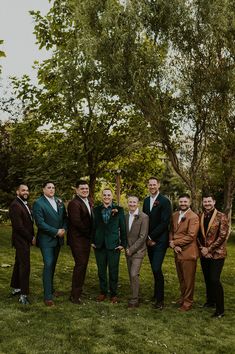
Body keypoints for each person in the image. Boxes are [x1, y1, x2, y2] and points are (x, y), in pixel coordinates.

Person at [33, 182, 67, 306]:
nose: (52, 189)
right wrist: (55, 232)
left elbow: (64, 217)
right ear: (43, 189)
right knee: (48, 264)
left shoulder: (59, 201)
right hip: (46, 240)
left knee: (52, 265)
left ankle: (51, 290)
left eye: (53, 188)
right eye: (49, 187)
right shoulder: (38, 203)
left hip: (58, 239)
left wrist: (63, 229)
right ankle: (47, 296)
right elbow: (40, 223)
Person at [92, 188, 127, 303]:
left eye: (109, 195)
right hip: (99, 245)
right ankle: (103, 292)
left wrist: (123, 244)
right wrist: (92, 241)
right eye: (104, 195)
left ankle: (113, 293)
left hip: (114, 245)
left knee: (113, 270)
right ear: (101, 197)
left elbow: (123, 228)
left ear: (112, 196)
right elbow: (93, 226)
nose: (106, 197)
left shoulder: (119, 210)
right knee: (101, 270)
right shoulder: (96, 210)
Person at [197, 194, 229, 318]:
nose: (207, 204)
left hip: (217, 253)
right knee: (207, 278)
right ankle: (210, 301)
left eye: (209, 201)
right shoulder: (201, 215)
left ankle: (220, 309)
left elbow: (222, 236)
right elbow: (198, 235)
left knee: (214, 280)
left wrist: (209, 249)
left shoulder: (222, 216)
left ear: (214, 202)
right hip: (204, 252)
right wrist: (202, 249)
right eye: (205, 202)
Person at [143, 177, 172, 310]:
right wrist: (146, 237)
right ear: (148, 186)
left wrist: (151, 236)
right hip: (149, 240)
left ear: (158, 185)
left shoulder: (165, 201)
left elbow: (165, 222)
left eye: (154, 184)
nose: (152, 186)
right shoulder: (146, 201)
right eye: (150, 185)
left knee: (156, 268)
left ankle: (160, 301)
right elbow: (145, 219)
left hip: (160, 240)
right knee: (155, 269)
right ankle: (156, 294)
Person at [169, 194, 199, 311]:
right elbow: (171, 230)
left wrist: (175, 242)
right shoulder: (175, 215)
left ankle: (188, 302)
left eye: (185, 202)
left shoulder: (193, 217)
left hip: (188, 252)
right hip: (177, 251)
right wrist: (171, 242)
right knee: (181, 278)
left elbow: (191, 236)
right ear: (178, 202)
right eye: (181, 201)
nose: (183, 204)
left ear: (189, 202)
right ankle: (183, 298)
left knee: (188, 279)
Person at [9, 184, 35, 305]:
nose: (26, 192)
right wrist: (31, 238)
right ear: (17, 192)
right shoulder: (15, 205)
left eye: (27, 190)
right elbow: (18, 226)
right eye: (23, 190)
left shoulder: (25, 204)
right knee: (25, 266)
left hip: (24, 239)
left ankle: (16, 287)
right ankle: (23, 294)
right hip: (21, 240)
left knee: (19, 263)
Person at [67, 180, 93, 304]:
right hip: (77, 240)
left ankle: (78, 291)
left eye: (86, 188)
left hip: (85, 240)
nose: (85, 190)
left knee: (82, 266)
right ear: (76, 190)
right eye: (82, 188)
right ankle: (75, 296)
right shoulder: (74, 203)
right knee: (80, 266)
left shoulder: (89, 201)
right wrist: (91, 233)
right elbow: (77, 222)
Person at [125, 196, 149, 308]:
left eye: (134, 202)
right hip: (127, 250)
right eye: (130, 202)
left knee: (134, 273)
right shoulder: (125, 216)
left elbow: (143, 236)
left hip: (138, 250)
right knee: (131, 275)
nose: (132, 204)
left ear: (138, 204)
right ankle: (135, 293)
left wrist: (132, 249)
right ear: (127, 203)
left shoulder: (144, 217)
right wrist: (126, 247)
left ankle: (135, 300)